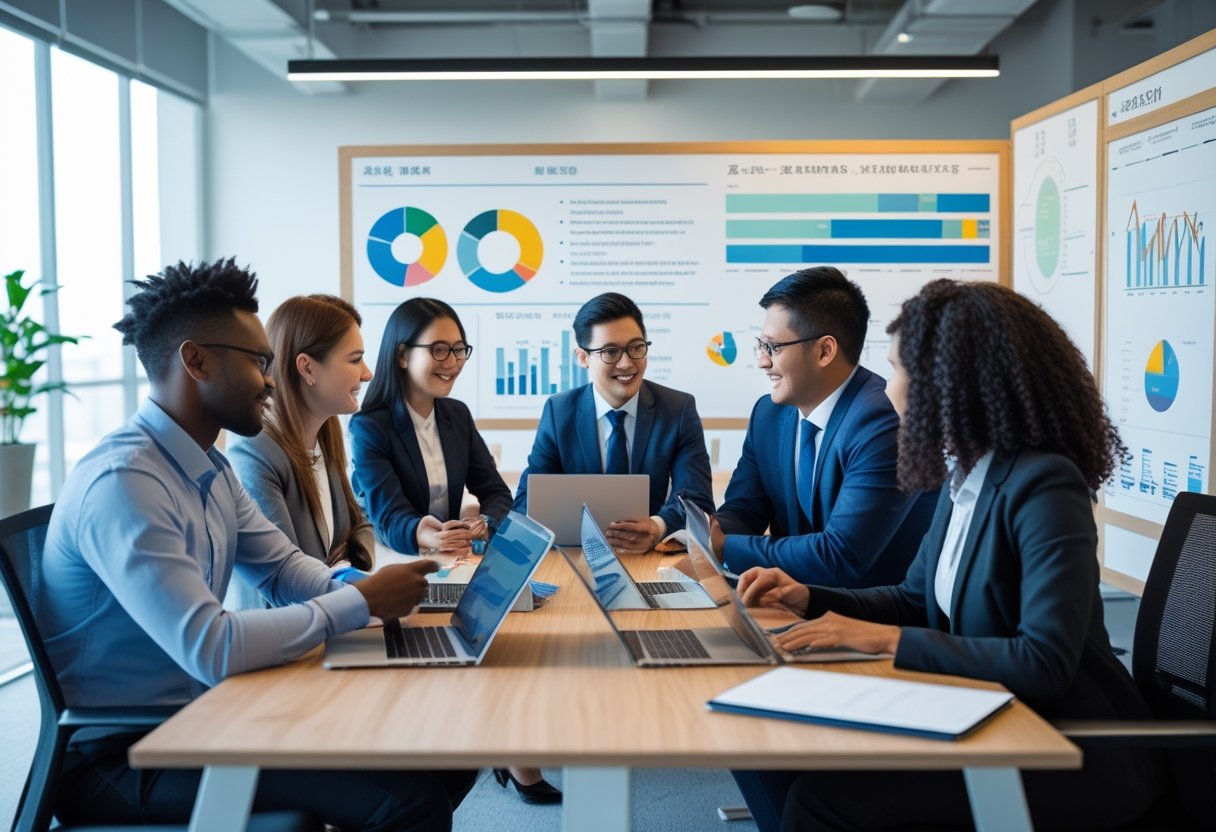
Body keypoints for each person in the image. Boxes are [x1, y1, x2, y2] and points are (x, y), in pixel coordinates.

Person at [39, 258, 475, 830]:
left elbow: (285, 568)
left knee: (447, 756)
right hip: (126, 754)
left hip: (208, 713)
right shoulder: (126, 482)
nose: (271, 380)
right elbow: (211, 647)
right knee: (409, 802)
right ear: (194, 360)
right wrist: (363, 602)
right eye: (258, 362)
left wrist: (368, 588)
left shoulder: (208, 466)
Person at [736, 279, 1166, 832]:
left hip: (1068, 747)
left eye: (898, 371)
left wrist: (884, 640)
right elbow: (915, 599)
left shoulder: (1045, 483)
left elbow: (1044, 663)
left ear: (952, 383)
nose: (888, 393)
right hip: (986, 715)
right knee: (783, 753)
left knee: (820, 801)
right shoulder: (965, 473)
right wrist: (812, 598)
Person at [348, 297, 558, 805]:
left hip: (458, 558)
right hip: (405, 564)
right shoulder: (369, 425)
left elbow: (499, 493)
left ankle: (515, 757)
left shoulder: (456, 415)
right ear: (401, 355)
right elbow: (388, 513)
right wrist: (429, 534)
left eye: (459, 349)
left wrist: (485, 519)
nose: (452, 362)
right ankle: (486, 758)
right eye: (438, 349)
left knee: (512, 631)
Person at [712, 267, 934, 586]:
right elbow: (745, 510)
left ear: (824, 351)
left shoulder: (881, 420)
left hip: (871, 618)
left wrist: (723, 546)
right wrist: (707, 531)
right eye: (760, 345)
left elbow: (841, 555)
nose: (762, 360)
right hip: (792, 601)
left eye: (773, 348)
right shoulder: (768, 414)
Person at [513, 292, 714, 553]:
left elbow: (697, 500)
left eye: (636, 347)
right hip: (577, 554)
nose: (627, 363)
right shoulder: (559, 411)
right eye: (610, 352)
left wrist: (658, 526)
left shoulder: (678, 409)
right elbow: (527, 502)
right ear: (583, 358)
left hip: (648, 557)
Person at [228, 294, 375, 610]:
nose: (367, 373)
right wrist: (336, 576)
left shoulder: (326, 434)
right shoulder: (254, 452)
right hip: (281, 644)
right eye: (354, 359)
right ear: (307, 368)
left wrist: (346, 565)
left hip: (327, 622)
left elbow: (360, 523)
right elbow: (286, 580)